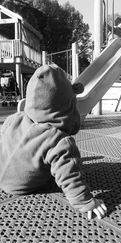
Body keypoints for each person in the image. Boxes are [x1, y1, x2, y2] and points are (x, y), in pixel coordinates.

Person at [0, 63, 107, 220]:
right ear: (68, 105)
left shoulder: (14, 119)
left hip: (2, 176)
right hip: (25, 186)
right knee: (65, 166)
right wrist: (84, 201)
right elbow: (69, 176)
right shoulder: (58, 140)